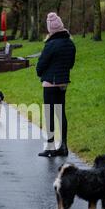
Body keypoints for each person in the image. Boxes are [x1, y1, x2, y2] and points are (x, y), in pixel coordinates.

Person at [36, 12, 76, 158]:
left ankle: (51, 147)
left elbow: (40, 66)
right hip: (63, 83)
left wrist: (42, 74)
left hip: (50, 83)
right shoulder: (70, 43)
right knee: (60, 113)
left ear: (50, 29)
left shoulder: (51, 44)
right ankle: (63, 147)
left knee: (49, 114)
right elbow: (70, 64)